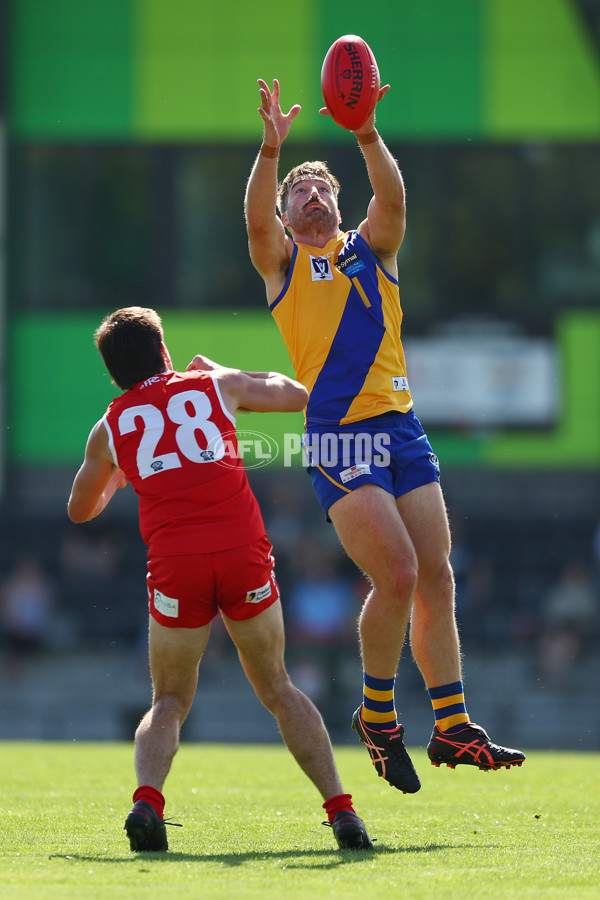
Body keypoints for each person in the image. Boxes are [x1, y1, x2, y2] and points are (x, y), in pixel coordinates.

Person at [244, 79, 525, 792]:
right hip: (339, 437)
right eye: (297, 193)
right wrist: (274, 149)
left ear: (340, 205)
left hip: (401, 428)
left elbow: (394, 200)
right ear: (284, 213)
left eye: (321, 190)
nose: (310, 196)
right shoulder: (283, 264)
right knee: (395, 573)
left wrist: (366, 132)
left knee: (436, 575)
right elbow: (252, 225)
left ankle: (453, 723)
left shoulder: (373, 246)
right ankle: (377, 715)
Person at [67, 306, 373, 852]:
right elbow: (297, 393)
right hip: (240, 554)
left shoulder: (110, 426)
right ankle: (341, 812)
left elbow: (80, 510)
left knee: (170, 700)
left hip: (176, 564)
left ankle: (148, 802)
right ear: (164, 351)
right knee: (278, 687)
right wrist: (223, 369)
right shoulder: (212, 384)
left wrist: (121, 475)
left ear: (114, 373)